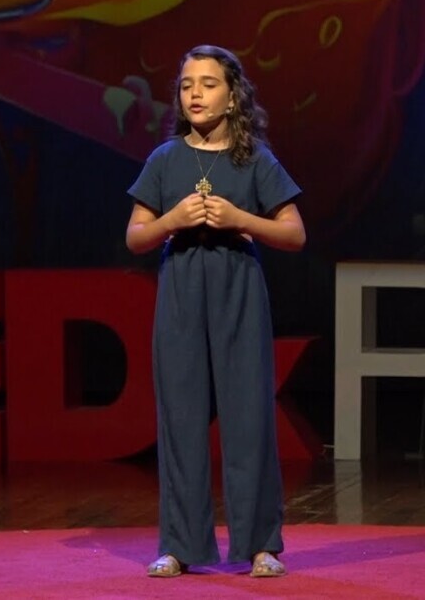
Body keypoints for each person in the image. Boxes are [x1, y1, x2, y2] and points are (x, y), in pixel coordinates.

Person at [125, 44, 306, 578]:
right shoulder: (165, 160)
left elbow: (294, 233)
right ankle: (180, 545)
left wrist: (239, 218)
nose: (195, 94)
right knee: (180, 420)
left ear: (232, 97)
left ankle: (260, 545)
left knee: (249, 419)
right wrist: (173, 219)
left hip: (238, 291)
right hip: (180, 293)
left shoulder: (254, 159)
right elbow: (136, 236)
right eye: (186, 85)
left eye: (207, 84)